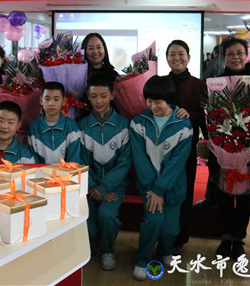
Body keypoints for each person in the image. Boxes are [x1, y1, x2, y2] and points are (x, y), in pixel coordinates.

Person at [130, 76, 193, 281]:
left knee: (170, 229)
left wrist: (161, 188)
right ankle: (142, 260)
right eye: (149, 100)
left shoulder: (184, 124)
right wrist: (153, 190)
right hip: (149, 187)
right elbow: (140, 159)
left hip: (174, 187)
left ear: (169, 99)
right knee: (153, 222)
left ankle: (167, 250)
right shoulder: (138, 123)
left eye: (158, 101)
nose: (153, 106)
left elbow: (178, 162)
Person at [211, 38, 250, 260]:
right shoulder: (215, 82)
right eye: (230, 54)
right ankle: (225, 238)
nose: (235, 57)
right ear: (224, 57)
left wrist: (249, 142)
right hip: (222, 148)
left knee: (245, 196)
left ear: (247, 55)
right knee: (224, 194)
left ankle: (238, 239)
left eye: (239, 53)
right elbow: (210, 115)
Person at [79, 74, 131, 271]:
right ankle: (92, 243)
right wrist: (93, 187)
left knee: (107, 215)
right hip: (89, 185)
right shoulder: (82, 126)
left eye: (103, 96)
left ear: (112, 96)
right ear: (88, 97)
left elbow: (125, 162)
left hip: (114, 185)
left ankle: (107, 250)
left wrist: (104, 187)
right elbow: (80, 161)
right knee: (89, 226)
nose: (98, 101)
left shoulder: (124, 125)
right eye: (94, 96)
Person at [164, 40, 207, 251]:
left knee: (185, 191)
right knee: (164, 189)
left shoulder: (199, 85)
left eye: (181, 54)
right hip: (161, 147)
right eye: (172, 54)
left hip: (186, 147)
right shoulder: (160, 83)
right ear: (166, 58)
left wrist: (191, 115)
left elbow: (206, 116)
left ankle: (180, 238)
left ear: (189, 57)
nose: (177, 58)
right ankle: (163, 234)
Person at [27, 81, 81, 164]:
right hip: (40, 172)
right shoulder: (34, 128)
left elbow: (73, 160)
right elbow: (33, 160)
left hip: (67, 172)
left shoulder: (72, 127)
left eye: (56, 99)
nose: (51, 103)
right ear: (41, 100)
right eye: (47, 99)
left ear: (63, 101)